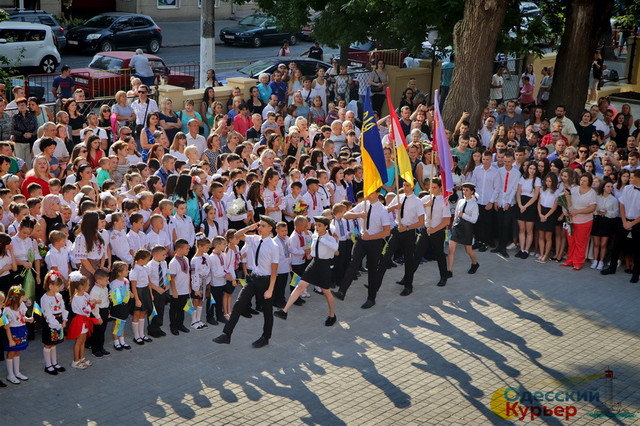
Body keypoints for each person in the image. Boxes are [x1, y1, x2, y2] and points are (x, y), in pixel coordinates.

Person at [213, 217, 279, 348]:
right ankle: (227, 334)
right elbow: (237, 235)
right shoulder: (254, 238)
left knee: (267, 311)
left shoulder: (273, 246)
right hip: (253, 279)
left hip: (265, 281)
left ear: (270, 228)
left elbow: (274, 269)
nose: (260, 228)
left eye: (263, 226)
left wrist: (270, 289)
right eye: (259, 225)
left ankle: (265, 337)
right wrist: (250, 228)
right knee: (238, 305)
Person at [332, 188, 391, 309]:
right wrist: (359, 215)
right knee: (353, 264)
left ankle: (371, 298)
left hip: (375, 242)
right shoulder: (363, 205)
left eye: (372, 193)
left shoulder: (382, 210)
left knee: (372, 269)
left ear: (378, 194)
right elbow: (346, 215)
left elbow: (386, 232)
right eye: (368, 192)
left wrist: (371, 236)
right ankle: (342, 291)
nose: (369, 195)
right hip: (362, 240)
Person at [274, 215, 338, 325]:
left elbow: (335, 248)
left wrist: (322, 239)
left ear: (326, 227)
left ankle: (332, 315)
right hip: (314, 263)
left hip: (324, 265)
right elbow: (311, 249)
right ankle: (284, 311)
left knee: (326, 292)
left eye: (320, 225)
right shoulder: (314, 236)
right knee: (300, 286)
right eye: (316, 225)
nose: (316, 227)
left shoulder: (329, 238)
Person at [379, 181, 424, 296]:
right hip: (397, 230)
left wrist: (407, 227)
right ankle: (375, 283)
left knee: (408, 259)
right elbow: (386, 210)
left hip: (408, 232)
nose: (405, 187)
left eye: (407, 185)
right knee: (386, 256)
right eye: (403, 185)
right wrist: (394, 206)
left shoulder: (417, 201)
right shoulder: (399, 197)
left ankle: (408, 285)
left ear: (413, 187)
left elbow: (421, 221)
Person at [561, 173, 596, 270]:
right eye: (581, 180)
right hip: (572, 221)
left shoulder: (592, 193)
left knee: (580, 242)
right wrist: (565, 211)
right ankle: (569, 260)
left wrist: (578, 211)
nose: (582, 182)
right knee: (571, 241)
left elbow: (592, 208)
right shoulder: (574, 189)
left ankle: (578, 262)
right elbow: (567, 200)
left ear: (589, 182)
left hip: (584, 221)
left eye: (585, 181)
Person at [66, 272, 101, 369]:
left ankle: (82, 358)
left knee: (83, 340)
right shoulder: (77, 298)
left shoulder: (85, 295)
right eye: (88, 285)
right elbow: (85, 309)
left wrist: (94, 302)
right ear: (81, 287)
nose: (89, 286)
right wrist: (92, 303)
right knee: (79, 340)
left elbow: (89, 302)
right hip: (80, 321)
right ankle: (75, 360)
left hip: (85, 321)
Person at [447, 182, 480, 277]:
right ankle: (449, 270)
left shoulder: (474, 204)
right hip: (457, 226)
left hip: (467, 228)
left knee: (468, 250)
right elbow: (457, 214)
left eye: (467, 190)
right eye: (463, 190)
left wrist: (464, 215)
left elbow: (474, 220)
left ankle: (475, 263)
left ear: (472, 192)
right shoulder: (461, 201)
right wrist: (453, 225)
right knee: (451, 249)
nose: (464, 192)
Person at [40, 271, 68, 375]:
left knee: (54, 343)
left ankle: (54, 363)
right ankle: (48, 365)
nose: (60, 288)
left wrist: (64, 320)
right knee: (48, 344)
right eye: (58, 286)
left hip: (59, 321)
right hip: (50, 323)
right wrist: (57, 325)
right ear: (51, 286)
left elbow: (63, 308)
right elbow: (48, 314)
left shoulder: (59, 296)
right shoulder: (45, 298)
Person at [3, 285, 33, 383]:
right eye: (22, 297)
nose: (24, 299)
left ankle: (17, 372)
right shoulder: (7, 310)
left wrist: (28, 319)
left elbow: (22, 317)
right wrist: (10, 339)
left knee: (18, 351)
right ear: (16, 298)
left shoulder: (21, 306)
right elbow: (6, 325)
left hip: (21, 330)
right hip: (12, 332)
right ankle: (10, 375)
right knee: (11, 352)